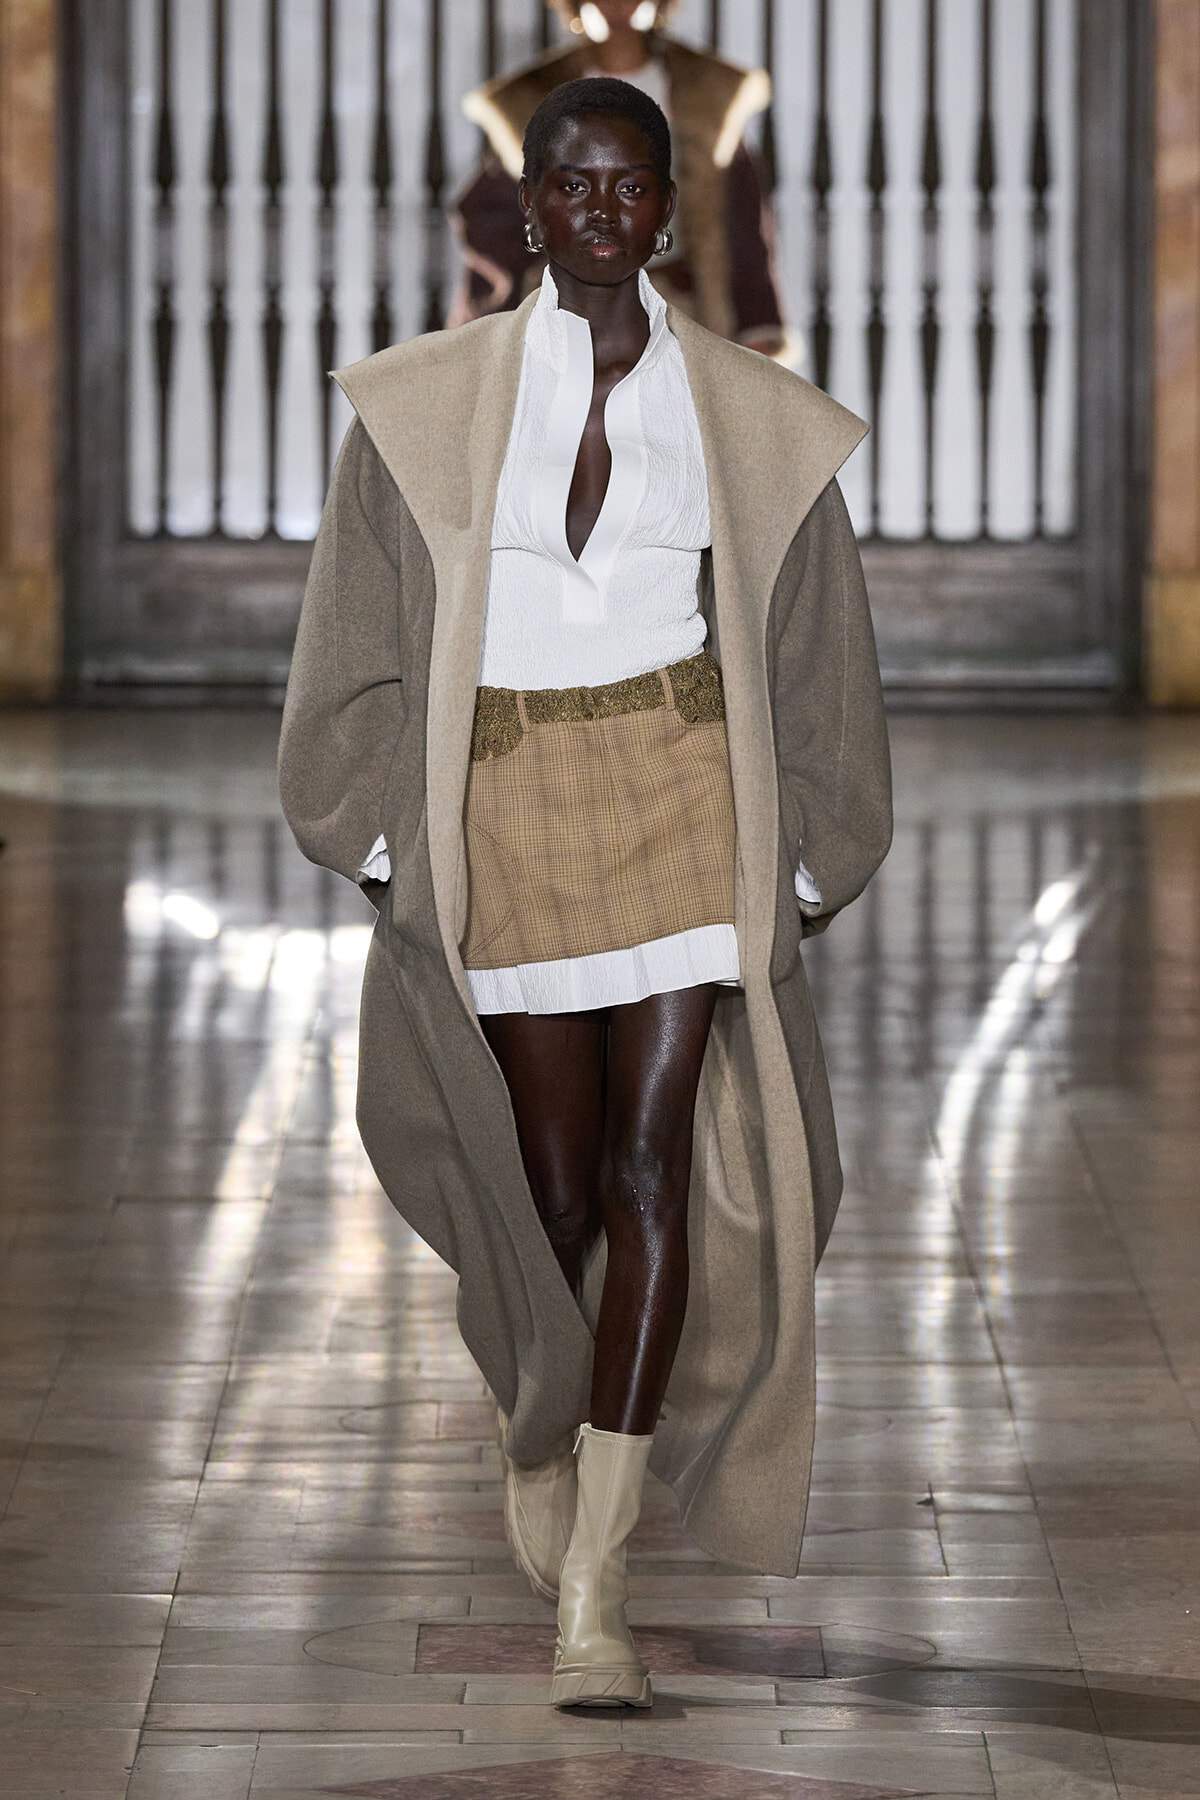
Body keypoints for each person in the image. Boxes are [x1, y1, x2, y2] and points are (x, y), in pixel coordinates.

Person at [279, 78, 890, 1711]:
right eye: (574, 183)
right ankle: (540, 1423)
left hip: (683, 790)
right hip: (508, 801)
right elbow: (354, 625)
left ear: (670, 211)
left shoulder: (749, 415)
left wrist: (811, 849)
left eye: (632, 185)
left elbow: (817, 638)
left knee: (648, 1168)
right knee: (548, 1194)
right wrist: (386, 839)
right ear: (531, 208)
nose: (603, 210)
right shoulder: (425, 406)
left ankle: (599, 1586)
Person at [451, 0, 786, 355]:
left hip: (678, 309)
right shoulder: (531, 100)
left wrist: (755, 321)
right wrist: (500, 318)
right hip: (567, 313)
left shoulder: (704, 95)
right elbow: (496, 220)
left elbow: (740, 216)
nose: (617, 4)